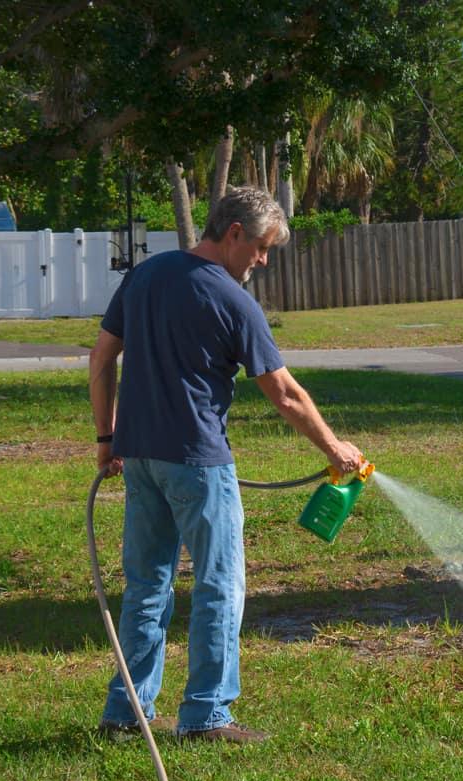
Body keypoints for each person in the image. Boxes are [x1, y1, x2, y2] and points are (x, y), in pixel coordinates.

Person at [88, 185, 364, 744]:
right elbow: (284, 394)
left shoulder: (144, 275)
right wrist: (336, 450)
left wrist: (106, 436)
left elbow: (100, 358)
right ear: (234, 233)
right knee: (219, 585)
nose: (262, 261)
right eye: (261, 248)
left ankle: (127, 715)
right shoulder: (234, 301)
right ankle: (207, 715)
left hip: (139, 457)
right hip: (197, 463)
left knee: (147, 585)